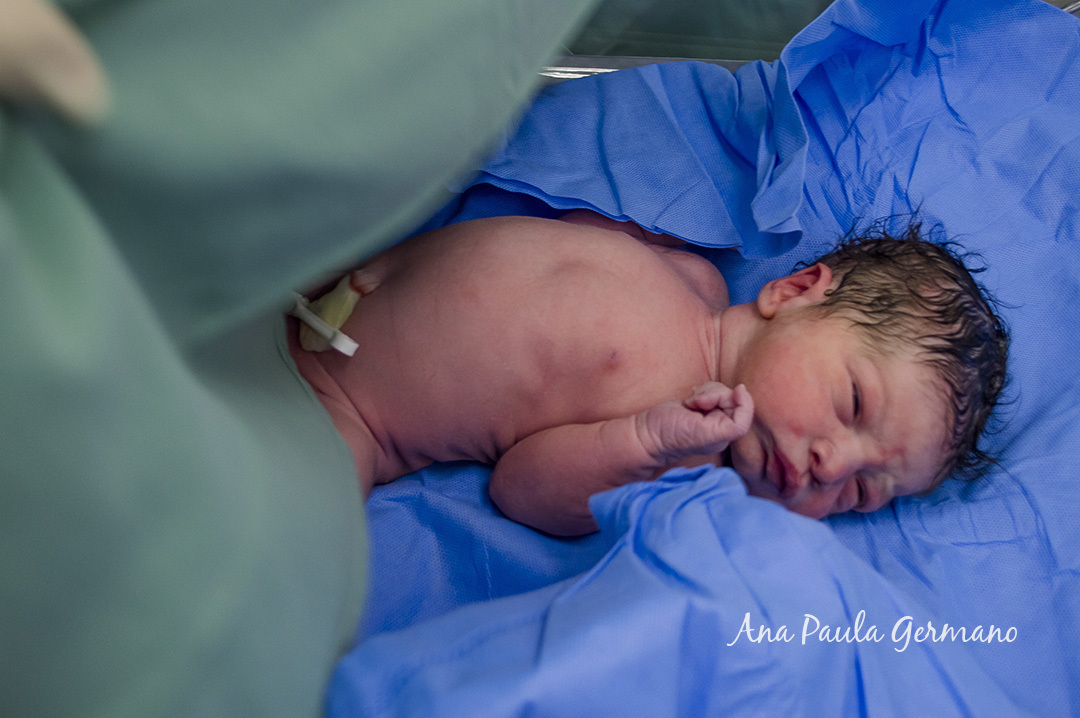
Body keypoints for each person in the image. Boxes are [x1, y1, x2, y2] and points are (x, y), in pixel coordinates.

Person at [287, 210, 1008, 536]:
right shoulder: (694, 275)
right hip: (319, 265)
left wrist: (641, 443)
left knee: (291, 537)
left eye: (859, 493)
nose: (831, 464)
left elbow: (522, 491)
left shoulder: (675, 449)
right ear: (788, 292)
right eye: (852, 403)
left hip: (338, 410)